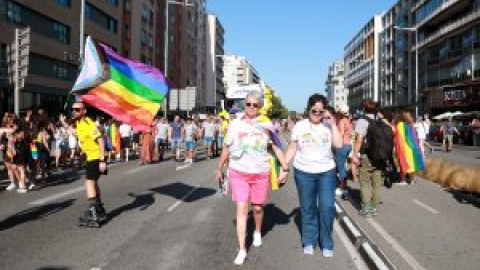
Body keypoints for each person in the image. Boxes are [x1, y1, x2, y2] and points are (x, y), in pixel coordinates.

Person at [215, 90, 288, 265]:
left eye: (255, 104)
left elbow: (276, 148)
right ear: (244, 105)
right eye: (249, 104)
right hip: (238, 171)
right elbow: (226, 147)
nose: (252, 107)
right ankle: (241, 249)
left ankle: (257, 230)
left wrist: (285, 168)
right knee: (241, 208)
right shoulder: (235, 125)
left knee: (256, 209)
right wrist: (219, 168)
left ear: (260, 106)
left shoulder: (266, 125)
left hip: (260, 172)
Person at [284, 94, 342, 257]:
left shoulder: (328, 126)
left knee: (327, 208)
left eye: (320, 111)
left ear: (325, 111)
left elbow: (338, 144)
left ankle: (326, 242)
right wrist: (284, 167)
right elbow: (292, 148)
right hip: (304, 172)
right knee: (308, 208)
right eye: (313, 110)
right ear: (308, 109)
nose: (317, 114)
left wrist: (333, 123)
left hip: (326, 173)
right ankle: (309, 240)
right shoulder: (300, 126)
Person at [66, 101, 107, 227]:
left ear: (84, 111)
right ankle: (99, 209)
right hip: (91, 157)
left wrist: (102, 160)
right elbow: (77, 133)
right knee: (93, 182)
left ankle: (93, 213)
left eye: (77, 110)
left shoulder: (88, 123)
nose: (74, 111)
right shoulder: (79, 123)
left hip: (95, 158)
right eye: (73, 109)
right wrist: (64, 124)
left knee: (89, 182)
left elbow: (100, 141)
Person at [351, 99, 390, 217]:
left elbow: (359, 139)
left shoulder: (363, 121)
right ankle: (374, 207)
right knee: (377, 182)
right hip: (380, 156)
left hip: (367, 156)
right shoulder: (381, 120)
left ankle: (367, 208)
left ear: (364, 109)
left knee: (364, 181)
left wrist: (354, 154)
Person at [334, 104, 352, 200]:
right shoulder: (348, 121)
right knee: (342, 167)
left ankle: (343, 188)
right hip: (348, 144)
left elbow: (340, 135)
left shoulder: (341, 121)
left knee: (341, 168)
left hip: (342, 145)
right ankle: (343, 186)